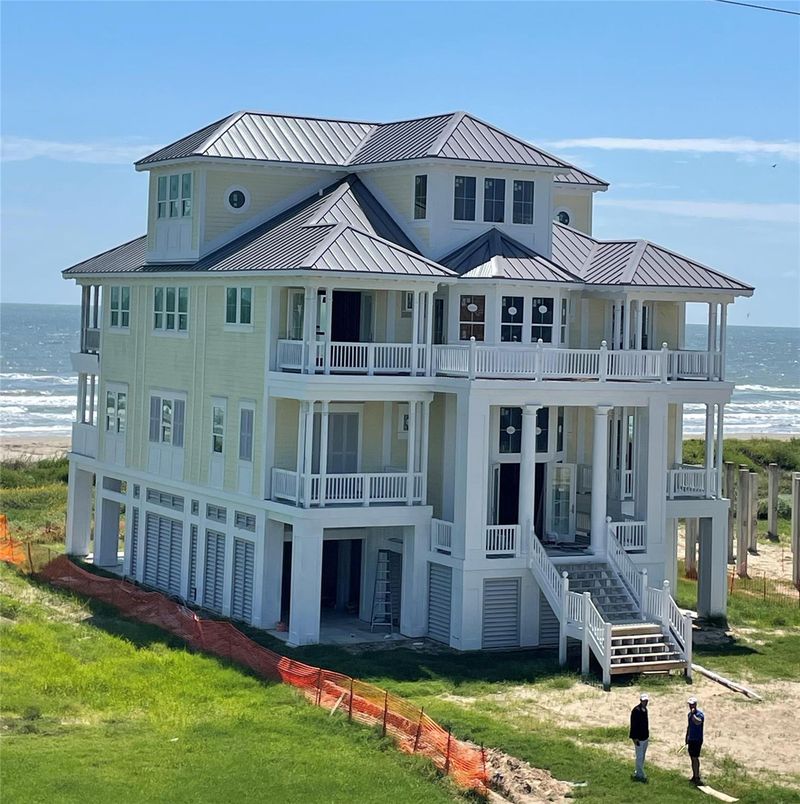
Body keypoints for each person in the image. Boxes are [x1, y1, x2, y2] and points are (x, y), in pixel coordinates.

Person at [629, 693, 650, 782]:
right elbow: (633, 725)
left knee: (642, 756)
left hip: (645, 736)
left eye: (646, 701)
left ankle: (638, 771)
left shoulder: (645, 710)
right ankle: (641, 775)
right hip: (638, 738)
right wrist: (634, 738)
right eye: (643, 701)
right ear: (640, 701)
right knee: (639, 756)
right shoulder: (636, 711)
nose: (645, 702)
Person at [685, 696, 705, 785]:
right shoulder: (689, 715)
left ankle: (697, 776)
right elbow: (689, 727)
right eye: (690, 705)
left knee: (695, 758)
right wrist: (686, 737)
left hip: (697, 739)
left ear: (696, 705)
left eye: (692, 705)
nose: (691, 706)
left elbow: (698, 722)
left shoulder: (699, 714)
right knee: (692, 757)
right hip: (691, 739)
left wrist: (693, 715)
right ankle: (694, 775)